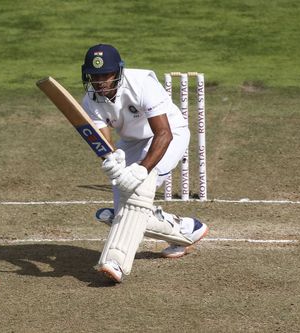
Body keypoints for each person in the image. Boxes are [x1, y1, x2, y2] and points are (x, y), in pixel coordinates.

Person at [80, 44, 209, 283]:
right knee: (126, 211)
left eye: (105, 75)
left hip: (170, 134)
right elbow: (104, 142)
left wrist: (142, 169)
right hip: (130, 142)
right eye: (94, 76)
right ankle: (186, 230)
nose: (99, 82)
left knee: (138, 191)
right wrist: (111, 159)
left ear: (117, 72)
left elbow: (164, 134)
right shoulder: (89, 101)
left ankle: (116, 262)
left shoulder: (141, 83)